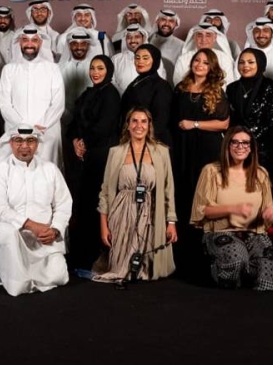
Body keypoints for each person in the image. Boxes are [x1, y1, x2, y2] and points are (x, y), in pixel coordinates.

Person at [0, 126, 72, 296]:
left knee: (59, 276)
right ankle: (9, 273)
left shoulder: (50, 169)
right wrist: (31, 225)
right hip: (12, 235)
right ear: (11, 143)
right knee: (17, 286)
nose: (24, 146)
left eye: (30, 140)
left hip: (42, 238)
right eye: (19, 140)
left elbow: (64, 204)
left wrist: (55, 229)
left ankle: (16, 273)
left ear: (37, 144)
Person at [190, 127, 273, 290]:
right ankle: (226, 269)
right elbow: (201, 210)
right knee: (237, 259)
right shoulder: (211, 171)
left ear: (251, 148)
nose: (240, 147)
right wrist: (232, 209)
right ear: (227, 145)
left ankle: (247, 269)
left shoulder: (260, 173)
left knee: (268, 283)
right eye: (235, 142)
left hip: (253, 233)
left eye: (245, 143)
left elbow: (268, 206)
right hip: (222, 232)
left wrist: (271, 212)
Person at [94, 108, 177, 282]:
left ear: (149, 125)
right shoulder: (115, 152)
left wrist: (171, 222)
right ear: (128, 125)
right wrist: (104, 226)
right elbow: (105, 191)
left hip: (151, 215)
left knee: (148, 268)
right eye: (134, 121)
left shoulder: (161, 152)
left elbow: (168, 189)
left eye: (143, 121)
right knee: (120, 268)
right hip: (122, 213)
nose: (139, 125)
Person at [67, 55, 122, 267]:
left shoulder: (111, 94)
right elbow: (74, 121)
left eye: (100, 68)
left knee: (96, 202)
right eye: (92, 68)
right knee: (82, 202)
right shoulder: (88, 93)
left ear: (108, 71)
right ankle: (80, 256)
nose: (95, 72)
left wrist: (84, 142)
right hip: (84, 155)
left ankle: (96, 255)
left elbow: (105, 126)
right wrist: (75, 141)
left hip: (101, 155)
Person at [171, 48, 229, 229]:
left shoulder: (216, 90)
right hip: (182, 146)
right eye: (197, 60)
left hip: (206, 147)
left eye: (205, 62)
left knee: (204, 189)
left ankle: (204, 233)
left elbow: (224, 124)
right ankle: (182, 233)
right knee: (182, 189)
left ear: (212, 67)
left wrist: (194, 124)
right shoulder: (181, 87)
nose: (200, 65)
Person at [0, 26, 64, 167]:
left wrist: (42, 125)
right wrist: (23, 126)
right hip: (17, 131)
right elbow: (4, 103)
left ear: (41, 43)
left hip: (47, 133)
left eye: (34, 40)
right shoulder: (9, 70)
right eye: (25, 40)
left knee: (47, 172)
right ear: (19, 42)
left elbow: (58, 103)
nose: (29, 44)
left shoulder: (53, 69)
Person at [226, 48, 273, 188]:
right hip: (236, 149)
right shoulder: (231, 88)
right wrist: (238, 143)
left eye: (251, 62)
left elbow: (272, 122)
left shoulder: (272, 87)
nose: (245, 66)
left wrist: (247, 141)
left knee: (261, 190)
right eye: (241, 62)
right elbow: (230, 119)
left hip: (264, 149)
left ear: (260, 64)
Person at [121, 44, 175, 148]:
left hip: (151, 143)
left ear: (155, 60)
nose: (140, 61)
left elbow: (160, 121)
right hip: (134, 138)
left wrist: (142, 142)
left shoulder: (161, 86)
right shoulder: (137, 81)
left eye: (145, 58)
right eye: (137, 58)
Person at [173, 23, 236, 88]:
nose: (203, 39)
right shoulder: (183, 59)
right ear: (194, 38)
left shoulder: (224, 58)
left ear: (214, 38)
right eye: (199, 35)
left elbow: (229, 83)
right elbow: (178, 82)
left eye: (208, 35)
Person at [113, 25, 165, 93]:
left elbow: (160, 82)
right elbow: (112, 82)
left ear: (143, 39)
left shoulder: (154, 58)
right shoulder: (115, 60)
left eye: (137, 37)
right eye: (129, 37)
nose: (132, 40)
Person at [150, 9, 184, 81]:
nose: (166, 23)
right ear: (157, 21)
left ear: (176, 24)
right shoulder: (147, 40)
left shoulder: (181, 45)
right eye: (163, 19)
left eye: (171, 21)